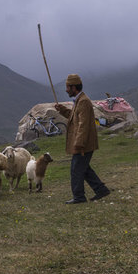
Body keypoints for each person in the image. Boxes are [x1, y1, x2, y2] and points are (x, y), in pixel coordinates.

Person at [54, 74, 110, 204]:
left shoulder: (83, 101)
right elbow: (74, 117)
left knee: (76, 170)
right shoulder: (79, 100)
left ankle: (79, 197)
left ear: (74, 87)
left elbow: (83, 125)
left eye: (67, 87)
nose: (66, 90)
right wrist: (62, 110)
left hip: (83, 144)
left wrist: (79, 143)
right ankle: (101, 190)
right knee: (83, 169)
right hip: (84, 143)